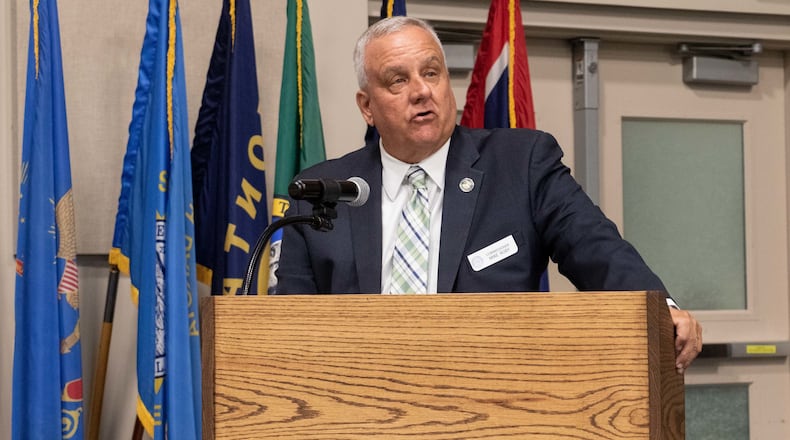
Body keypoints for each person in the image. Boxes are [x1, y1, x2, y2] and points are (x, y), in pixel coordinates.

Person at [275, 16, 702, 373]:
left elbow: (596, 248)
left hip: (494, 399)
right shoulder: (324, 192)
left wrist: (661, 307)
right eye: (397, 80)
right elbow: (289, 331)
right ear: (367, 106)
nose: (422, 91)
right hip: (360, 409)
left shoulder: (520, 165)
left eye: (431, 72)